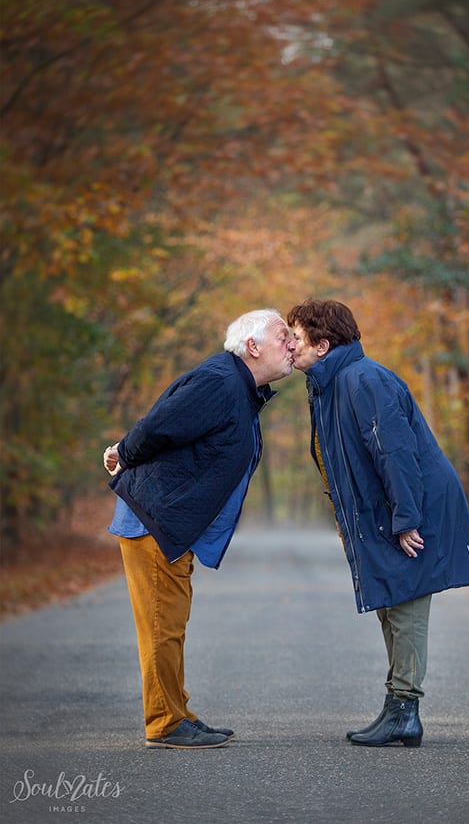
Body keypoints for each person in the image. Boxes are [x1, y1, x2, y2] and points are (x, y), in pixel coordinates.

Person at [286, 298, 469, 747]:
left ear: (323, 345)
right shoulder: (330, 385)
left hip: (412, 503)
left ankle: (405, 710)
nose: (289, 345)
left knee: (406, 603)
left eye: (296, 337)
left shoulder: (363, 380)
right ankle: (396, 707)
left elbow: (394, 452)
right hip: (388, 507)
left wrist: (406, 518)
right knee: (391, 601)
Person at [102, 309, 296, 749]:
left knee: (171, 623)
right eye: (283, 336)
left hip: (171, 524)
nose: (291, 344)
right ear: (252, 346)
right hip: (154, 520)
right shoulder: (220, 381)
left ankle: (178, 711)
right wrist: (123, 453)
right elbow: (160, 424)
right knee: (161, 625)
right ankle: (164, 723)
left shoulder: (239, 388)